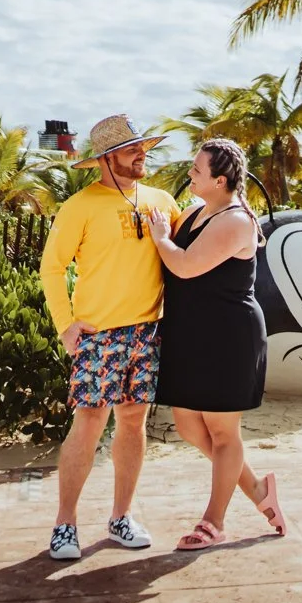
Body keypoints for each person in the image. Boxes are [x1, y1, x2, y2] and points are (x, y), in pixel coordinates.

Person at [38, 113, 183, 562]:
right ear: (106, 158)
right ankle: (65, 523)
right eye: (132, 148)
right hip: (99, 335)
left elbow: (193, 245)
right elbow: (52, 267)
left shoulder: (162, 200)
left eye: (144, 146)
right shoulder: (79, 205)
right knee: (89, 422)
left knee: (134, 420)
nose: (143, 153)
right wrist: (65, 324)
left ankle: (121, 516)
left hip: (148, 330)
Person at [145, 137, 285, 550]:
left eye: (196, 170)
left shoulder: (237, 221)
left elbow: (185, 266)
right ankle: (259, 489)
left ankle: (214, 521)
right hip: (191, 335)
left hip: (228, 335)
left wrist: (159, 240)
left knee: (223, 433)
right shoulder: (194, 212)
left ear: (220, 179)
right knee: (189, 426)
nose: (189, 174)